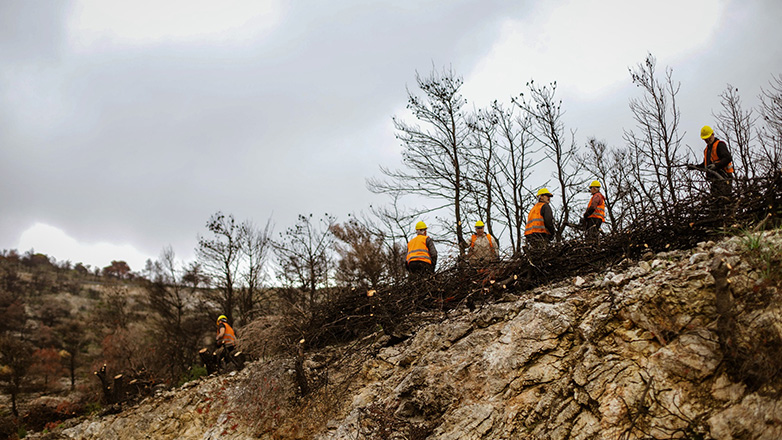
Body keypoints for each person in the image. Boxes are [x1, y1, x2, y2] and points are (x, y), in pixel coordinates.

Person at [689, 125, 734, 200]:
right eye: (705, 139)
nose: (707, 140)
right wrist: (694, 167)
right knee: (715, 201)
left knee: (723, 201)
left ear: (713, 134)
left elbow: (728, 158)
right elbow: (705, 165)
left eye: (708, 138)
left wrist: (716, 166)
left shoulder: (720, 145)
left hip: (724, 178)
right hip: (714, 180)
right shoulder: (707, 150)